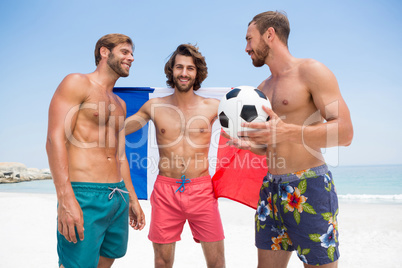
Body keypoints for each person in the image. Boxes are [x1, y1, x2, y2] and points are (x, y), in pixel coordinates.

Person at [230, 11, 353, 267]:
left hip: (308, 185)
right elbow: (270, 145)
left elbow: (345, 132)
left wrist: (289, 131)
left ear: (270, 34)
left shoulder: (311, 71)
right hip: (271, 190)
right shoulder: (262, 88)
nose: (246, 48)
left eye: (249, 39)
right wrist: (250, 145)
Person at [46, 33, 145, 268]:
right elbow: (54, 139)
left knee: (107, 259)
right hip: (84, 194)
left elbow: (121, 156)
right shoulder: (77, 82)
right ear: (104, 52)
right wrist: (65, 197)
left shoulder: (120, 104)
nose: (131, 58)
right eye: (125, 52)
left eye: (132, 54)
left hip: (117, 195)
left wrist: (132, 198)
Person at [125, 44, 225, 268]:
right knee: (162, 262)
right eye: (179, 67)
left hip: (202, 190)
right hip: (165, 191)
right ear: (171, 71)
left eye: (190, 68)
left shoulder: (213, 107)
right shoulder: (154, 106)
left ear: (197, 72)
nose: (184, 73)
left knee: (217, 262)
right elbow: (118, 131)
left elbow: (246, 125)